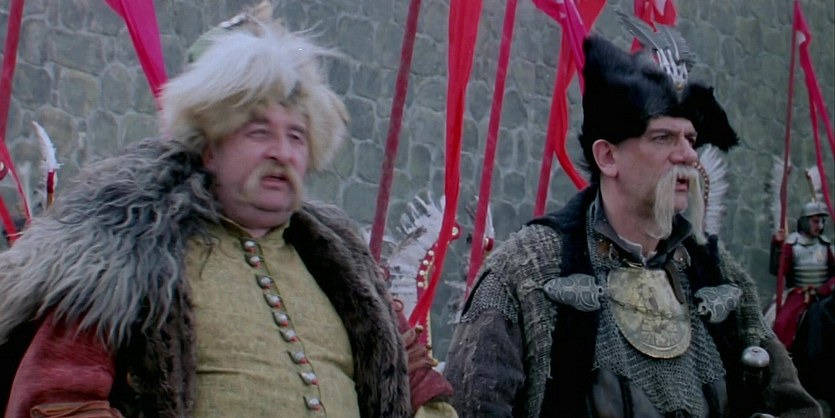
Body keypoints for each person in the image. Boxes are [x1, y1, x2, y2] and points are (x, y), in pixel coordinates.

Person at [0, 4, 455, 418]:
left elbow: (419, 390)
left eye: (296, 136)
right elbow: (58, 397)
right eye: (258, 132)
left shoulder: (345, 267)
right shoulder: (125, 251)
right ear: (209, 147)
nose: (282, 152)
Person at [444, 34, 822, 417]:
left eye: (690, 139)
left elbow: (796, 408)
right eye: (663, 137)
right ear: (608, 157)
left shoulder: (718, 272)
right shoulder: (526, 270)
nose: (688, 154)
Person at [769, 200, 835, 411]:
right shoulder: (792, 244)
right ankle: (782, 362)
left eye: (822, 221)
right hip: (799, 294)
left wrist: (825, 288)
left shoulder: (826, 245)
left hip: (822, 295)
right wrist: (777, 246)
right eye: (815, 221)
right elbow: (778, 270)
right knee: (782, 324)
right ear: (805, 221)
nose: (819, 226)